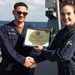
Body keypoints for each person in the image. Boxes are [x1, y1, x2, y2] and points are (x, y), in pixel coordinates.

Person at [34, 4, 75, 75]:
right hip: (62, 69)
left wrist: (42, 50)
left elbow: (63, 55)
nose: (65, 17)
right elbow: (52, 49)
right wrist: (34, 60)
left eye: (69, 14)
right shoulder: (61, 32)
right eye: (62, 14)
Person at [0, 2, 35, 75]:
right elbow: (7, 49)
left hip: (25, 68)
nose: (22, 15)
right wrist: (23, 60)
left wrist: (46, 34)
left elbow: (37, 47)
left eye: (24, 13)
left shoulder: (31, 30)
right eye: (19, 12)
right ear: (13, 12)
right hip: (8, 68)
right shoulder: (4, 29)